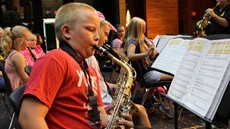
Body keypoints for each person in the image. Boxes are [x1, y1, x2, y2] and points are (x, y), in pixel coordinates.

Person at [19, 3, 133, 129]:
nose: (97, 37)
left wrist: (116, 121)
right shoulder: (55, 60)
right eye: (91, 30)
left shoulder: (90, 71)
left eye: (98, 30)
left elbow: (99, 116)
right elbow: (28, 117)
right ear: (67, 32)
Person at [86, 19, 152, 128]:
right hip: (104, 107)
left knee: (140, 110)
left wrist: (115, 86)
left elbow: (97, 84)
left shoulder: (90, 58)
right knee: (140, 112)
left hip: (104, 103)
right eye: (106, 34)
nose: (107, 39)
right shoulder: (88, 58)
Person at [124, 17, 174, 118]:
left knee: (169, 75)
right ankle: (167, 104)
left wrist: (152, 50)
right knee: (174, 78)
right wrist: (146, 53)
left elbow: (153, 56)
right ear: (139, 28)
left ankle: (151, 97)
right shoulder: (133, 41)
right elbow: (130, 55)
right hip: (145, 75)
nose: (144, 30)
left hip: (146, 72)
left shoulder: (140, 40)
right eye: (143, 28)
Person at [1, 25, 31, 90]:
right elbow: (26, 79)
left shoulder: (12, 54)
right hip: (19, 92)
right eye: (27, 40)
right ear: (18, 41)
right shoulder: (17, 56)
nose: (28, 43)